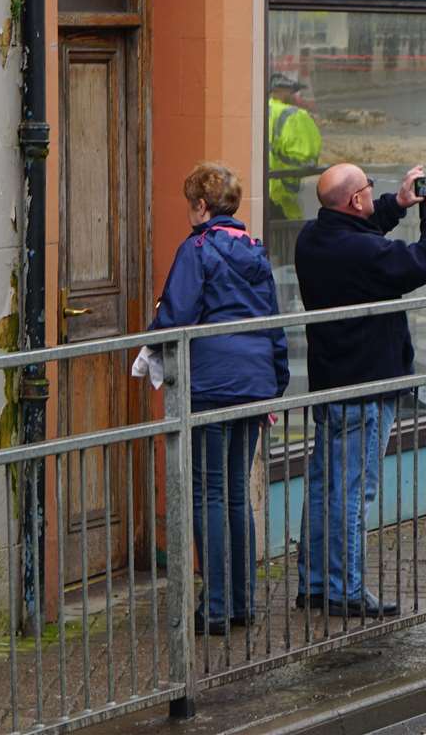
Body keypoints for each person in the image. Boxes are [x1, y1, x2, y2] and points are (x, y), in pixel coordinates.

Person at [293, 162, 426, 617]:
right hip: (366, 386)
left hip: (331, 382)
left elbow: (357, 234)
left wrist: (397, 204)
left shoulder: (312, 238)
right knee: (353, 493)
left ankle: (314, 584)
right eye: (370, 189)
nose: (374, 193)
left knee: (324, 485)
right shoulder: (363, 253)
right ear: (355, 201)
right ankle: (345, 590)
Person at [148, 162, 289, 634]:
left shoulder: (198, 249)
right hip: (253, 378)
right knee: (235, 493)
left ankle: (215, 608)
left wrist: (151, 338)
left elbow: (177, 315)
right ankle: (243, 602)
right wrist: (276, 377)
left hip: (211, 380)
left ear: (202, 207)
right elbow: (273, 319)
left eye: (191, 205)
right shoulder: (255, 250)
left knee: (207, 492)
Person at [265, 73, 322, 223]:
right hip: (282, 199)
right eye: (293, 92)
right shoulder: (293, 115)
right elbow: (307, 159)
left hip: (263, 194)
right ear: (280, 92)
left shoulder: (256, 111)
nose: (296, 97)